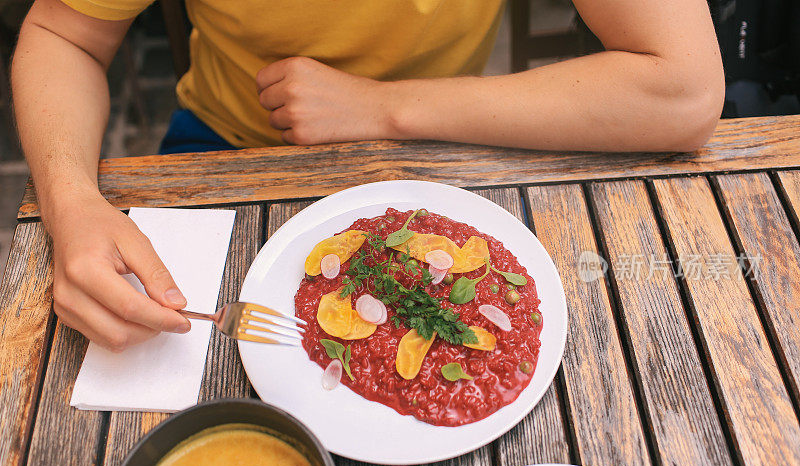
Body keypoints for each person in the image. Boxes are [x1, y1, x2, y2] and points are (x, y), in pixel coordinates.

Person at [10, 0, 724, 351]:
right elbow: (62, 34)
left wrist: (382, 107)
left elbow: (684, 88)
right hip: (224, 155)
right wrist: (70, 199)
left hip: (450, 139)